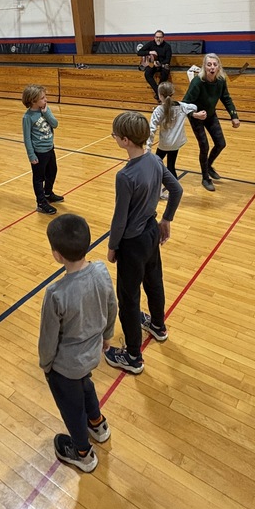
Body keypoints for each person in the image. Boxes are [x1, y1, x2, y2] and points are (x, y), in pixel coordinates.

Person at [105, 111, 183, 375]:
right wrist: (166, 219)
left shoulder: (124, 176)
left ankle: (133, 357)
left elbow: (120, 217)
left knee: (128, 299)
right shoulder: (154, 160)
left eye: (115, 135)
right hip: (151, 233)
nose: (114, 138)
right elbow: (177, 189)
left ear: (125, 140)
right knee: (154, 281)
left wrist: (113, 246)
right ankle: (158, 326)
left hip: (132, 243)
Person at [39, 213, 117, 473]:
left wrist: (46, 365)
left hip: (65, 367)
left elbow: (48, 338)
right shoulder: (101, 272)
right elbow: (112, 306)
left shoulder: (55, 294)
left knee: (72, 408)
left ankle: (82, 453)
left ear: (56, 254)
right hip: (92, 354)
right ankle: (97, 423)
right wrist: (107, 336)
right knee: (86, 386)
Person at [182, 54, 241, 192]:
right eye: (209, 64)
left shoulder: (220, 80)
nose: (212, 67)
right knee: (204, 146)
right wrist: (194, 114)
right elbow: (184, 104)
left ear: (219, 66)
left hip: (210, 114)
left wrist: (234, 116)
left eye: (215, 64)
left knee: (221, 143)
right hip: (196, 116)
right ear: (204, 66)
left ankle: (208, 165)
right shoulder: (197, 82)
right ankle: (205, 177)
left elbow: (226, 98)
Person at [147, 82, 204, 199]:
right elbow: (193, 107)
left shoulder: (159, 110)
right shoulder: (181, 106)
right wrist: (195, 114)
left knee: (155, 166)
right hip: (176, 144)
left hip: (164, 144)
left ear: (160, 95)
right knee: (171, 166)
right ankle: (175, 191)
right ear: (172, 94)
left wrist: (148, 147)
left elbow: (152, 129)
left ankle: (157, 192)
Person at [22, 84, 64, 215]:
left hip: (50, 149)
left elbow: (55, 124)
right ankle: (41, 202)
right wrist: (31, 155)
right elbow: (27, 138)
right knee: (39, 178)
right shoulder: (28, 117)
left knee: (52, 171)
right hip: (39, 153)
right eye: (42, 98)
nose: (45, 100)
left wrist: (46, 113)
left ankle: (48, 193)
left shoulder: (45, 110)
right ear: (33, 101)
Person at [136, 30, 172, 101]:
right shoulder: (151, 44)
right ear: (154, 37)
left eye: (160, 37)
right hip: (153, 64)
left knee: (166, 72)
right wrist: (149, 52)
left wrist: (159, 64)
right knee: (147, 73)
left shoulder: (167, 46)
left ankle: (158, 93)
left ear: (163, 38)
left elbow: (168, 60)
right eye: (157, 37)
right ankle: (158, 92)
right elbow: (139, 52)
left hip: (162, 65)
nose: (158, 39)